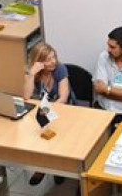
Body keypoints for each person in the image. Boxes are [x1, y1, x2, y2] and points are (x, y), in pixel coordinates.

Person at [23, 42, 72, 186]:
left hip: (62, 111)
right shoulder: (33, 73)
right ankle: (41, 168)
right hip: (42, 112)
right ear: (38, 61)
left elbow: (63, 97)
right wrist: (31, 74)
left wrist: (46, 112)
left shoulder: (60, 69)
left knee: (57, 137)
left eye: (54, 57)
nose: (53, 61)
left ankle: (59, 169)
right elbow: (26, 96)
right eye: (48, 59)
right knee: (36, 136)